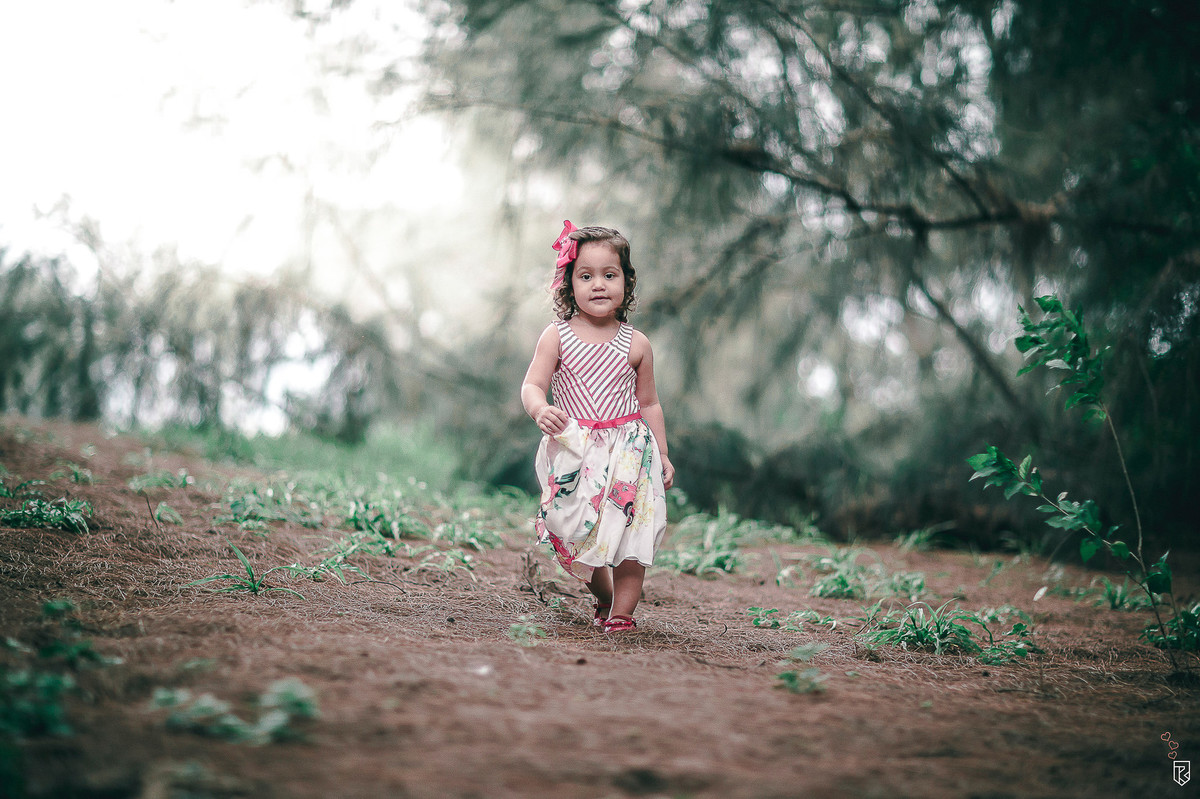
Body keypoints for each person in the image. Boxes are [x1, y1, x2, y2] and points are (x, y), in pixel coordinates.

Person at [521, 221, 675, 634]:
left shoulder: (636, 344)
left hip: (630, 452)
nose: (599, 284)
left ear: (627, 281)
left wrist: (661, 452)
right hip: (576, 453)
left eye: (610, 274)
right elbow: (533, 384)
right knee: (569, 530)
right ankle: (605, 598)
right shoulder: (557, 337)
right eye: (586, 275)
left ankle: (623, 614)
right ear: (569, 284)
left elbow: (650, 403)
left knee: (633, 532)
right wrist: (539, 410)